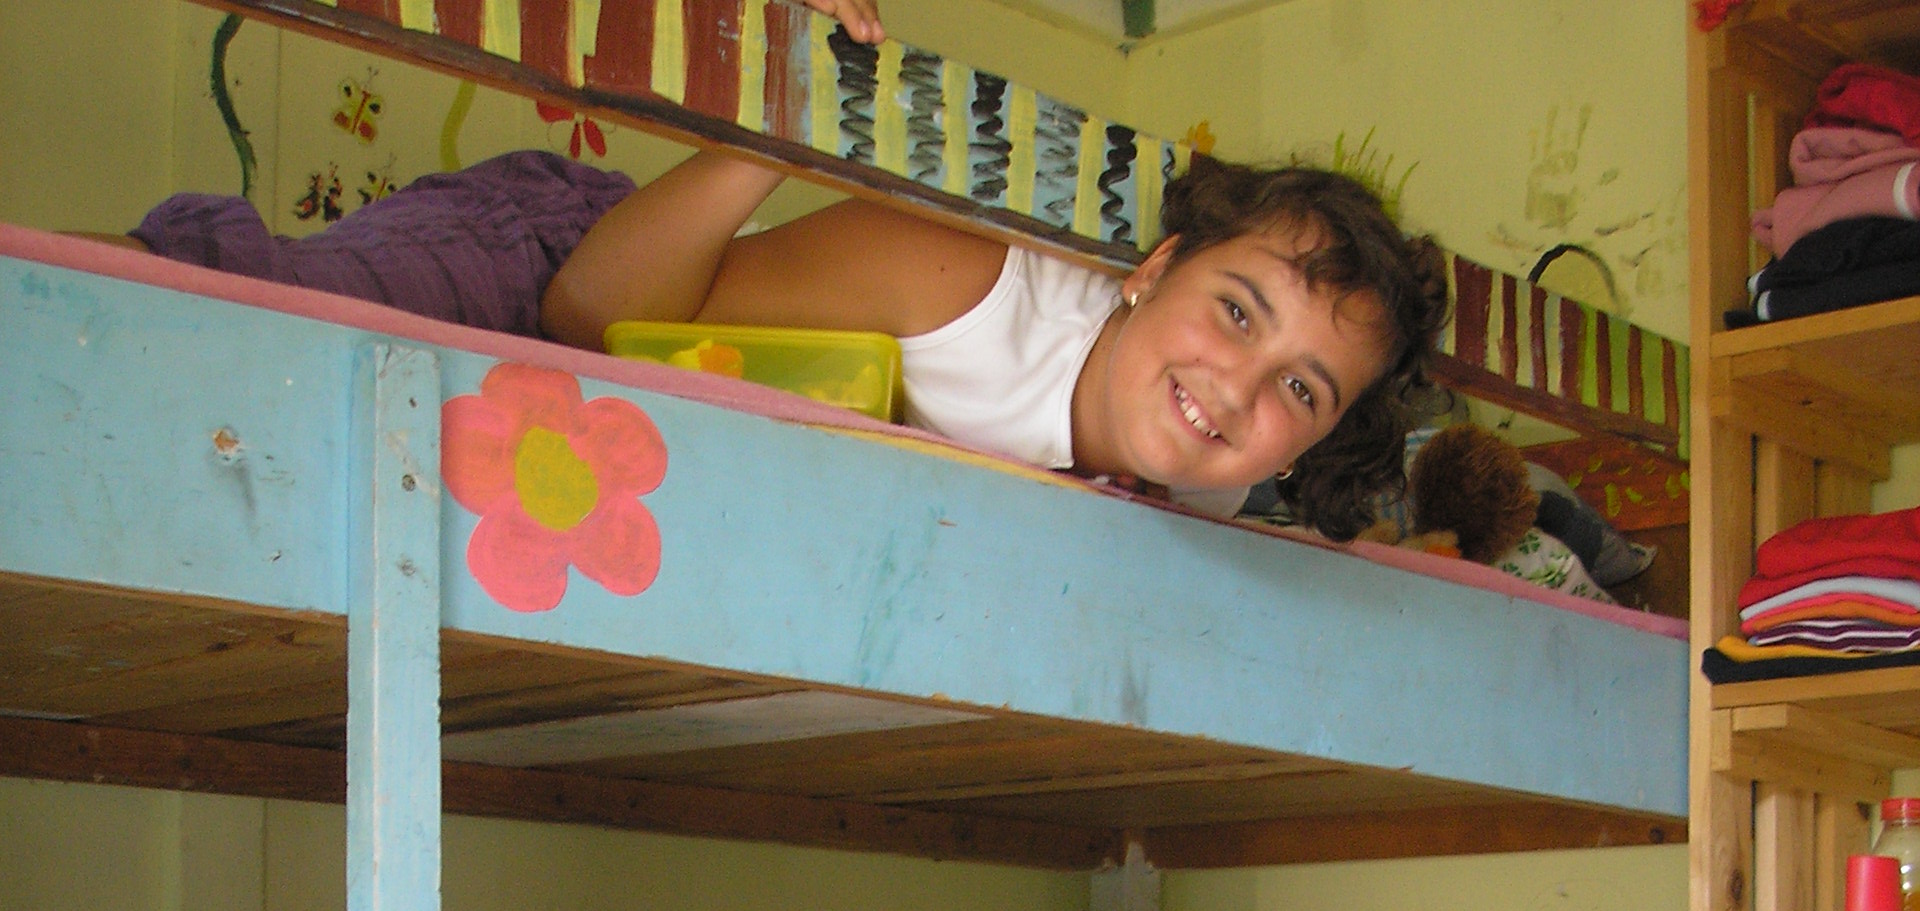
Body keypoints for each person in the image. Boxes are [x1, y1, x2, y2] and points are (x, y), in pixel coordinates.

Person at [127, 6, 1445, 538]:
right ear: (1150, 269)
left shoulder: (1216, 485)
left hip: (651, 337)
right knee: (262, 315)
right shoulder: (958, 277)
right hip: (559, 259)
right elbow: (591, 319)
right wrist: (779, 124)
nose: (1241, 388)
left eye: (1303, 389)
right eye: (1236, 311)